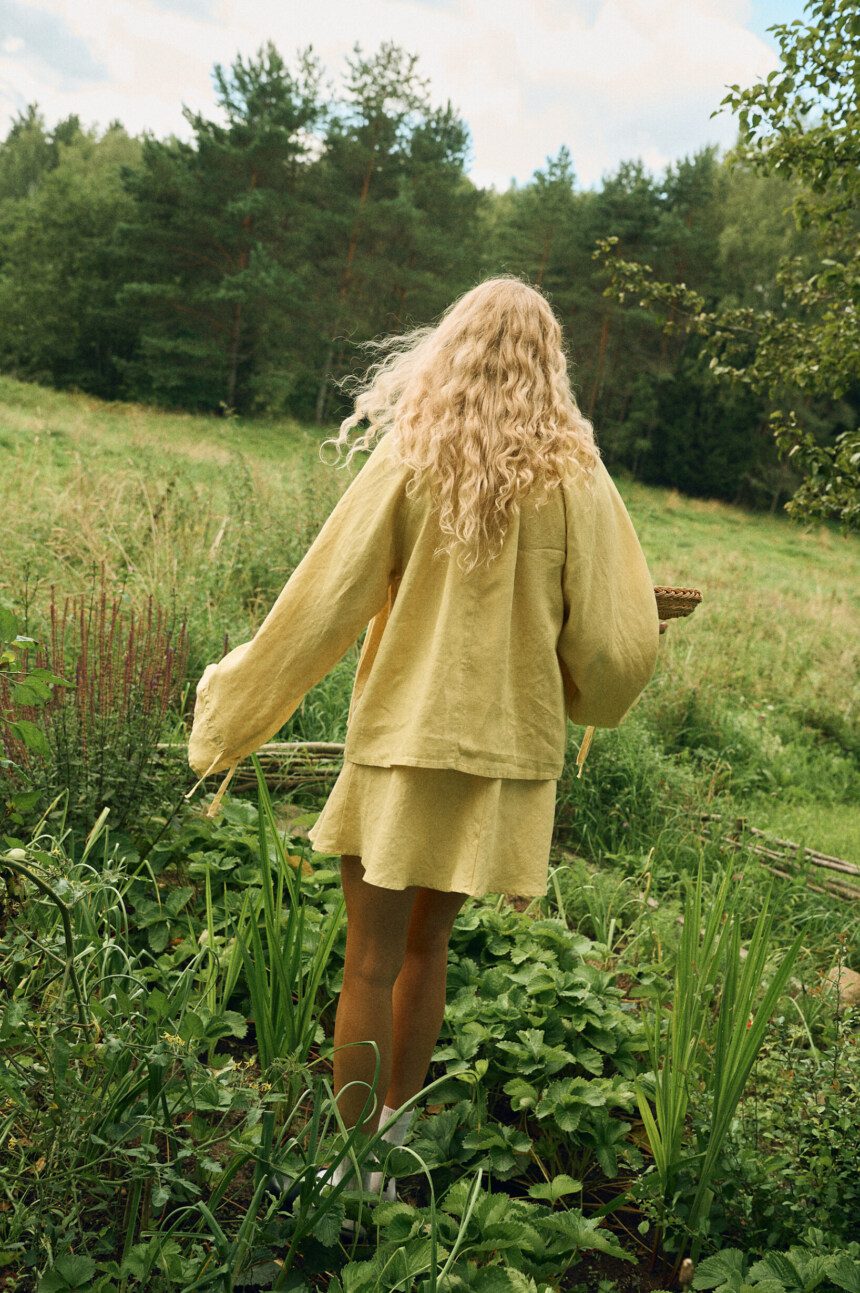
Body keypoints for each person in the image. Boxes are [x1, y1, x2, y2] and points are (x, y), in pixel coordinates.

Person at [186, 275, 665, 1207]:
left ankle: (346, 1165)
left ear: (453, 349)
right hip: (500, 758)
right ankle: (394, 1145)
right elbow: (614, 640)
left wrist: (232, 704)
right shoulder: (579, 477)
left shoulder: (412, 456)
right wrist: (599, 688)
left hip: (402, 741)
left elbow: (322, 603)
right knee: (426, 951)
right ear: (551, 363)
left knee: (369, 958)